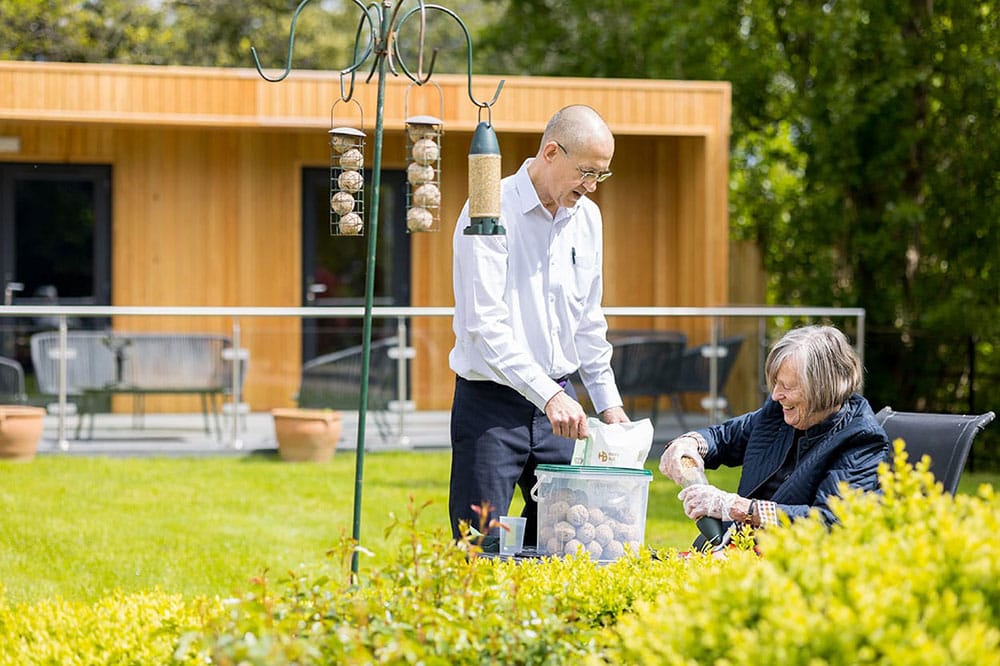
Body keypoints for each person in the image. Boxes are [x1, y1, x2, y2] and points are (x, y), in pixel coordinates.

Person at [449, 104, 629, 547]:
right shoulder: (489, 209)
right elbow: (484, 324)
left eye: (600, 176)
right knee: (479, 547)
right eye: (586, 172)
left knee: (566, 542)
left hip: (560, 410)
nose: (591, 187)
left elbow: (588, 319)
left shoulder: (588, 219)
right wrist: (548, 395)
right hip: (491, 407)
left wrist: (609, 405)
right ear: (551, 152)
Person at [659, 325, 889, 541]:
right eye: (776, 384)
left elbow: (827, 522)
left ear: (824, 388)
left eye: (787, 386)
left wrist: (739, 508)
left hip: (793, 565)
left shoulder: (861, 440)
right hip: (739, 548)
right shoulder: (777, 412)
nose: (777, 395)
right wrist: (690, 443)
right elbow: (725, 437)